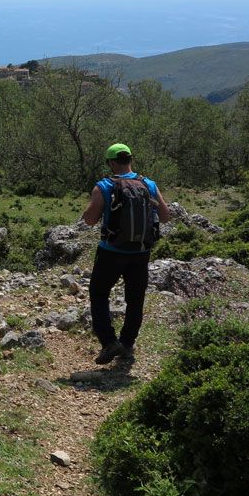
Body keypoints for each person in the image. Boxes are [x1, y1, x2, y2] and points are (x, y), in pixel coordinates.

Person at [80, 143, 170, 364]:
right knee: (135, 300)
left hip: (111, 252)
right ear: (130, 159)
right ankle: (127, 345)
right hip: (141, 252)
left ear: (111, 162)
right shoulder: (148, 184)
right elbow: (166, 216)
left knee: (99, 294)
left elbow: (90, 220)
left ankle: (110, 343)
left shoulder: (104, 186)